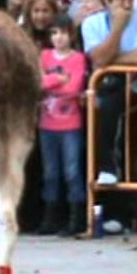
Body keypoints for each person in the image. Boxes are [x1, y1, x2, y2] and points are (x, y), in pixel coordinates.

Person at [81, 0, 137, 234]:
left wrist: (109, 60)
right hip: (106, 88)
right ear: (106, 1)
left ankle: (111, 173)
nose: (127, 5)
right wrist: (117, 29)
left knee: (113, 113)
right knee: (102, 116)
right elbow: (97, 58)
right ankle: (105, 198)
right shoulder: (91, 23)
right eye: (120, 0)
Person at [38, 16, 87, 237]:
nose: (59, 38)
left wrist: (51, 82)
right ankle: (50, 218)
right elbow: (38, 82)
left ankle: (76, 218)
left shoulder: (78, 58)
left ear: (71, 35)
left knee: (71, 171)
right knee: (50, 172)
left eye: (63, 33)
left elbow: (74, 87)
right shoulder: (45, 56)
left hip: (70, 124)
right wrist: (59, 79)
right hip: (47, 123)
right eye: (54, 33)